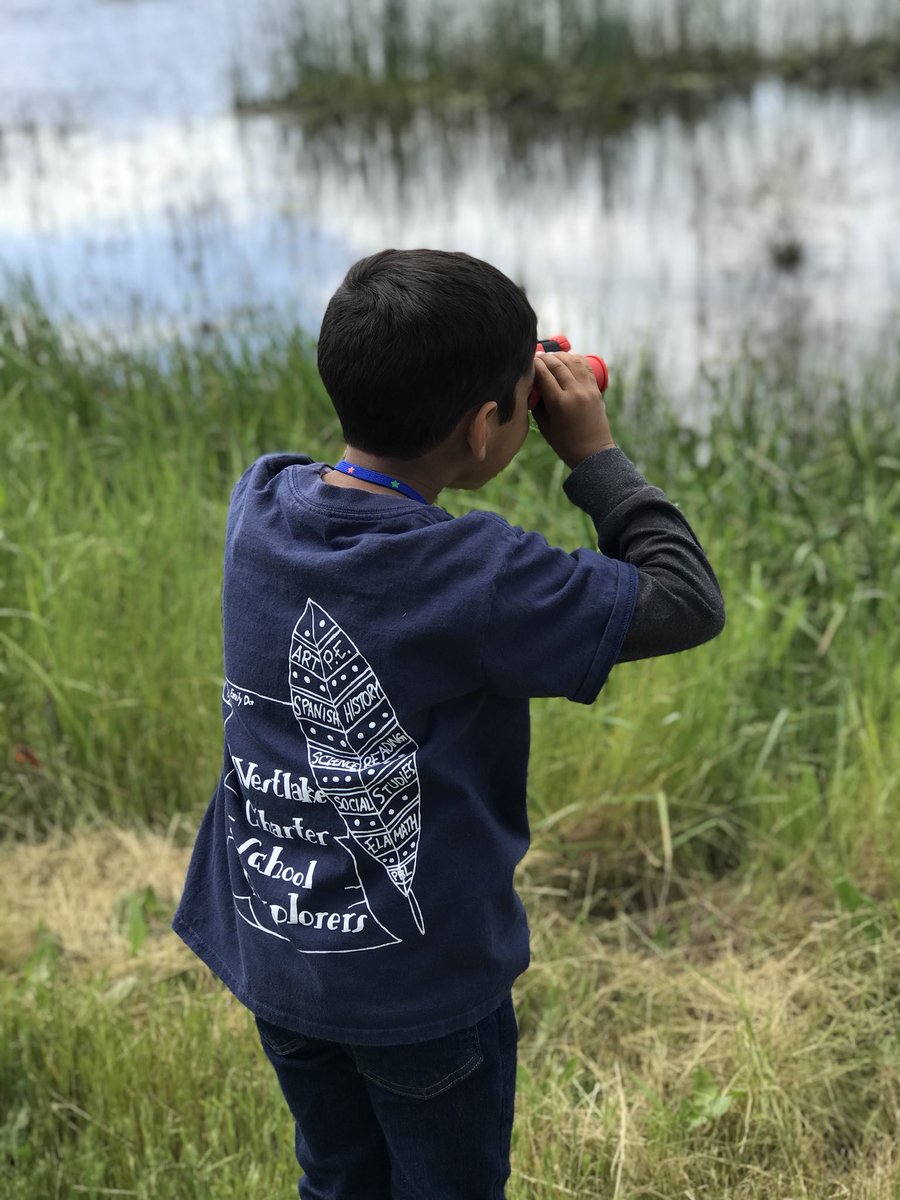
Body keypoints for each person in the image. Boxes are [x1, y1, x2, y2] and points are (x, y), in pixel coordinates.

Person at [172, 248, 725, 1199]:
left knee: (336, 1178)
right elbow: (686, 599)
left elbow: (373, 451)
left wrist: (492, 381)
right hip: (418, 989)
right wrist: (593, 454)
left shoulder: (259, 502)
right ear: (482, 427)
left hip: (278, 953)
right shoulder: (478, 576)